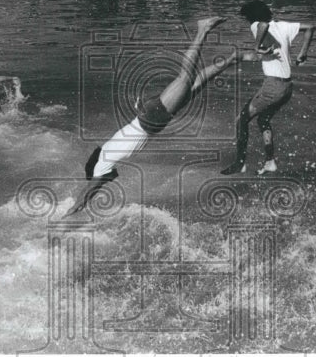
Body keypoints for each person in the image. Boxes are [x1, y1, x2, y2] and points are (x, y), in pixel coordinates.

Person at [67, 17, 252, 216]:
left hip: (152, 118)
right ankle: (232, 59)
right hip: (149, 116)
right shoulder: (105, 154)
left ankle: (202, 29)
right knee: (195, 84)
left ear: (93, 170)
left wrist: (66, 216)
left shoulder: (100, 169)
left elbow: (84, 197)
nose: (113, 179)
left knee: (186, 76)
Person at [221, 1, 315, 176]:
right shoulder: (283, 25)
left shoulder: (257, 25)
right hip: (287, 86)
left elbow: (262, 25)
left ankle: (240, 163)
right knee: (262, 121)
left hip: (273, 87)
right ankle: (270, 162)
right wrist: (303, 52)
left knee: (241, 121)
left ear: (250, 16)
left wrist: (256, 47)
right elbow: (310, 27)